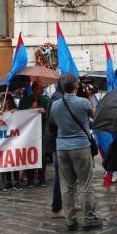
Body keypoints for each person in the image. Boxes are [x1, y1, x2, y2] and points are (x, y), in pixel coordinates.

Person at [50, 74, 102, 232]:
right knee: (86, 184)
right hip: (80, 146)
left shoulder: (55, 105)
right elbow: (96, 116)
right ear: (75, 86)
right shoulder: (83, 102)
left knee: (67, 186)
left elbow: (54, 122)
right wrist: (91, 97)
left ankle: (70, 220)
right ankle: (89, 218)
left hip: (62, 147)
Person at [19, 82, 49, 187]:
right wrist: (32, 109)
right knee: (29, 156)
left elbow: (50, 116)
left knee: (42, 157)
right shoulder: (25, 100)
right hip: (28, 134)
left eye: (43, 88)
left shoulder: (45, 100)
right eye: (40, 88)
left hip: (42, 132)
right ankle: (30, 180)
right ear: (34, 89)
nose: (42, 90)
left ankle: (42, 179)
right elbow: (19, 116)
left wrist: (44, 112)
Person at [45, 82, 64, 218]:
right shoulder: (58, 100)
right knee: (59, 175)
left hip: (56, 141)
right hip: (57, 142)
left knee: (65, 175)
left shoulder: (55, 97)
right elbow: (55, 122)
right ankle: (56, 207)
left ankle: (66, 204)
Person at [2, 94, 22, 190]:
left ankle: (17, 180)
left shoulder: (15, 111)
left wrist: (14, 113)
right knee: (7, 160)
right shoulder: (1, 111)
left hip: (14, 140)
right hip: (5, 141)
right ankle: (9, 181)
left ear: (8, 101)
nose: (2, 102)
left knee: (15, 160)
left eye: (3, 100)